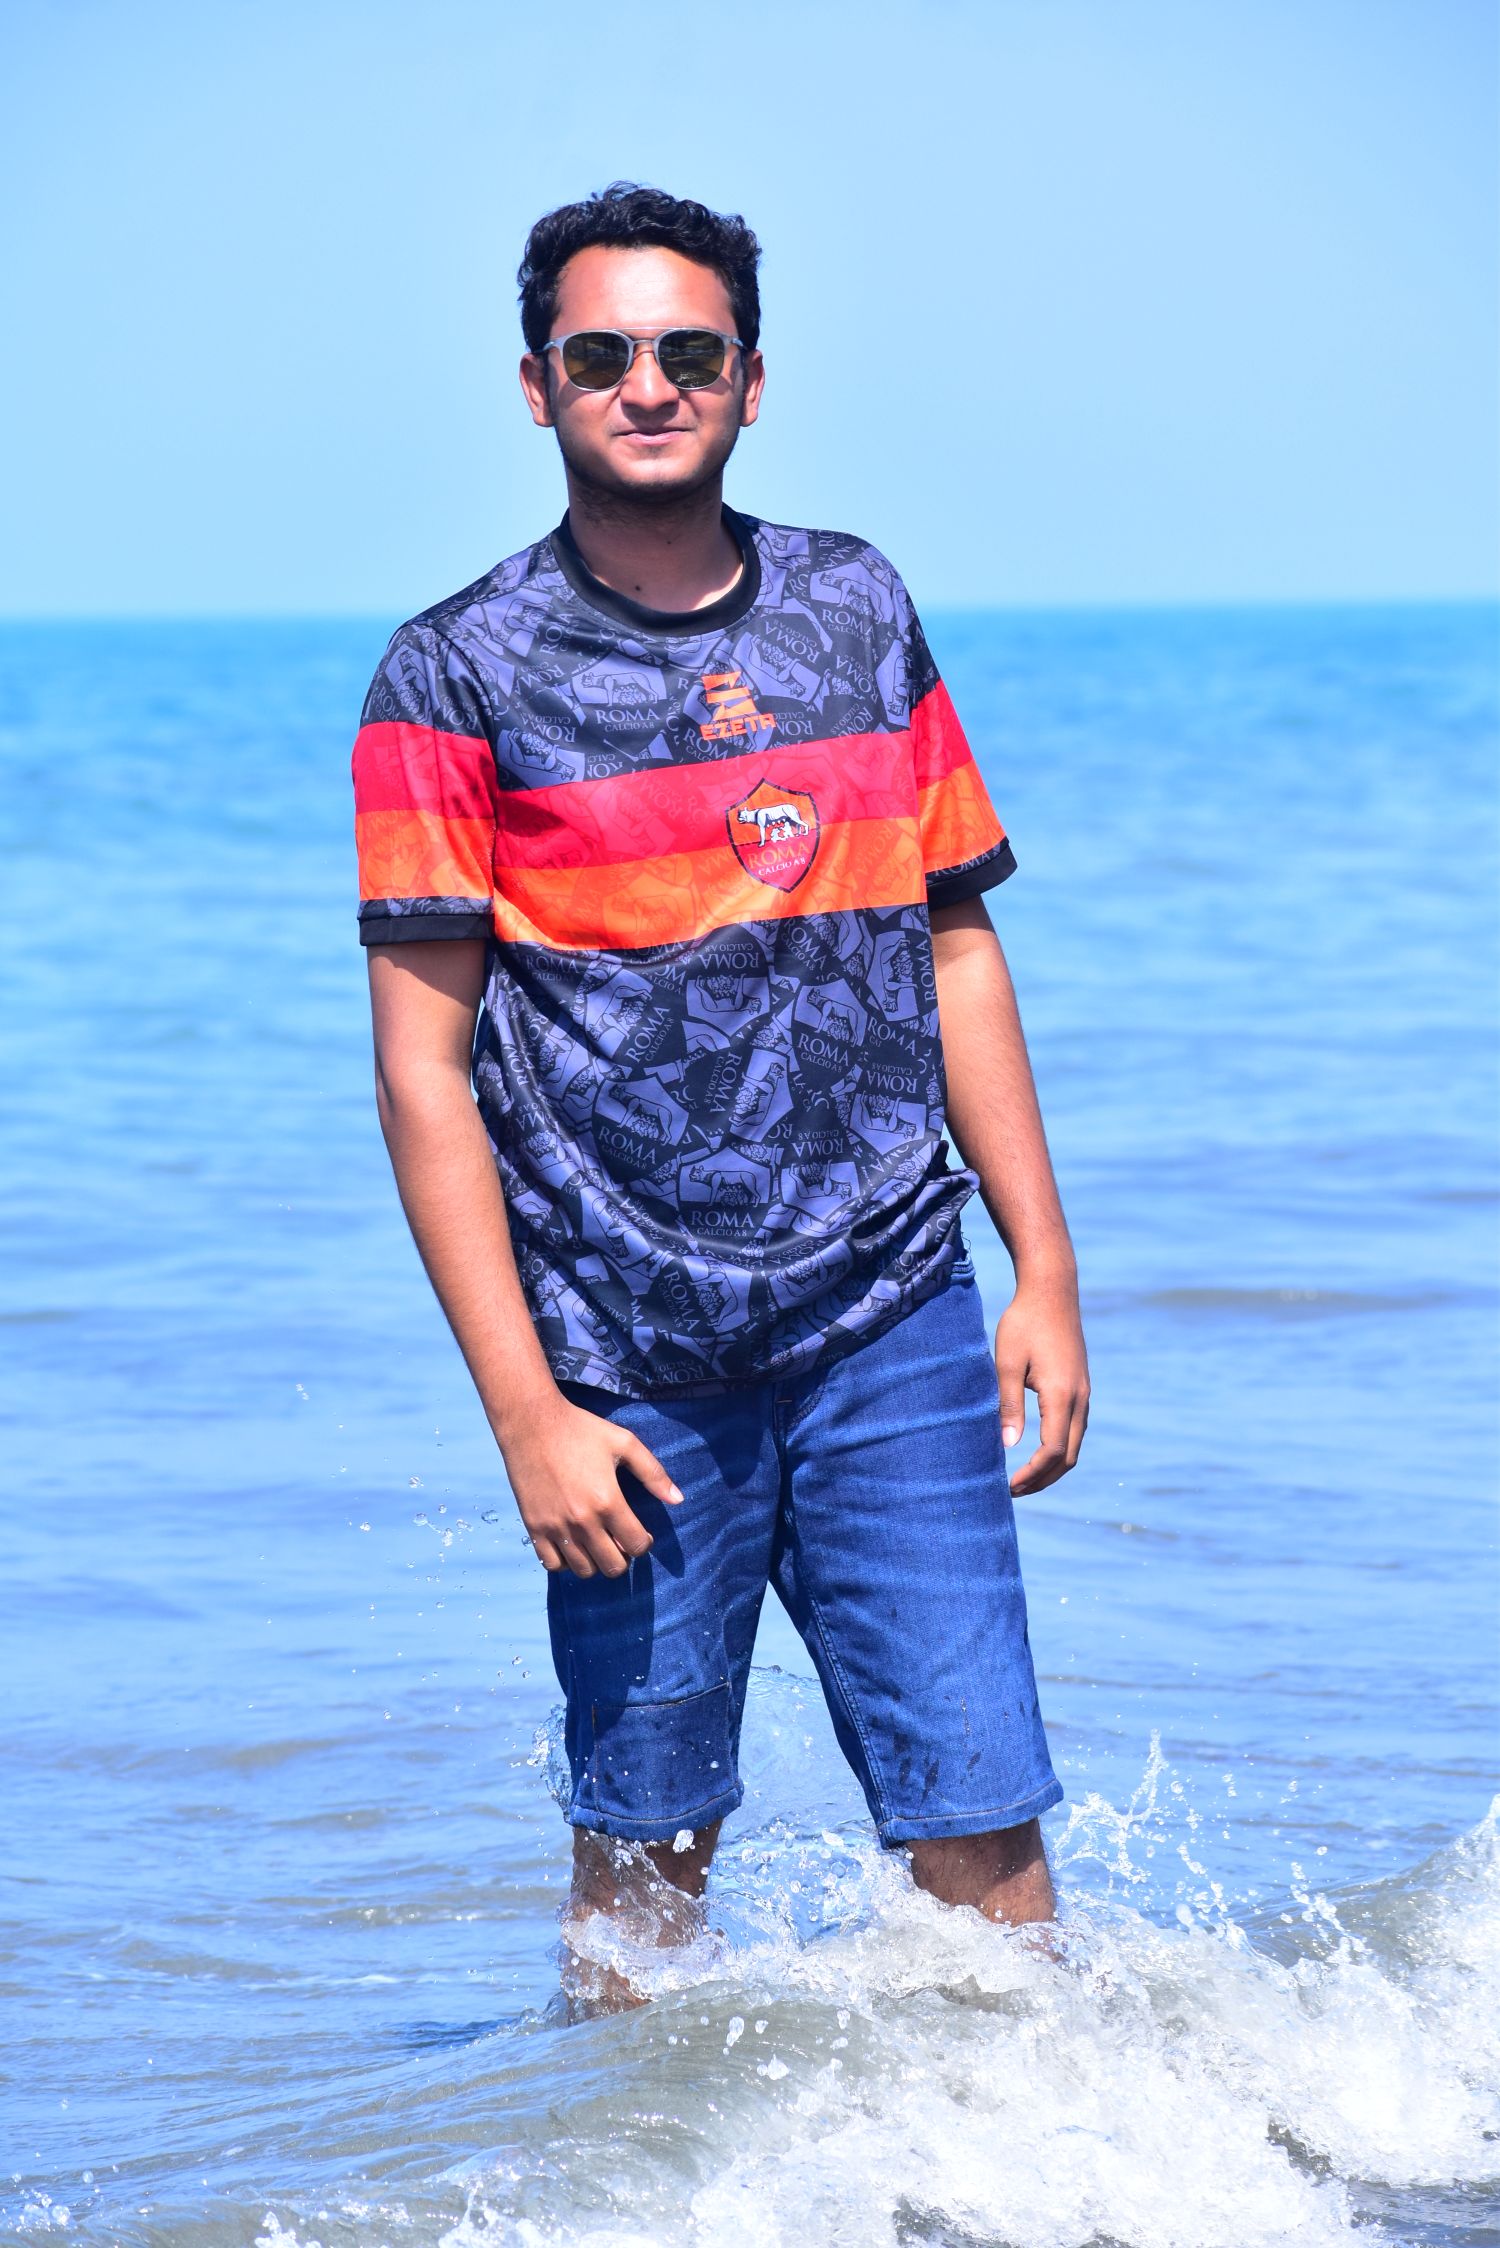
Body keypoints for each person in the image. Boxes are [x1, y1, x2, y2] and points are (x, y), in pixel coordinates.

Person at [352, 183, 1089, 2005]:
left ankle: (1053, 2147)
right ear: (539, 386)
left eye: (690, 351)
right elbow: (423, 1072)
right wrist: (525, 1415)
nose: (649, 384)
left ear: (752, 380)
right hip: (622, 1357)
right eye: (602, 353)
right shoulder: (454, 671)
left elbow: (956, 948)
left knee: (982, 1835)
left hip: (891, 1312)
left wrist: (1045, 1272)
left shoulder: (856, 606)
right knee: (643, 1860)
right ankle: (633, 2156)